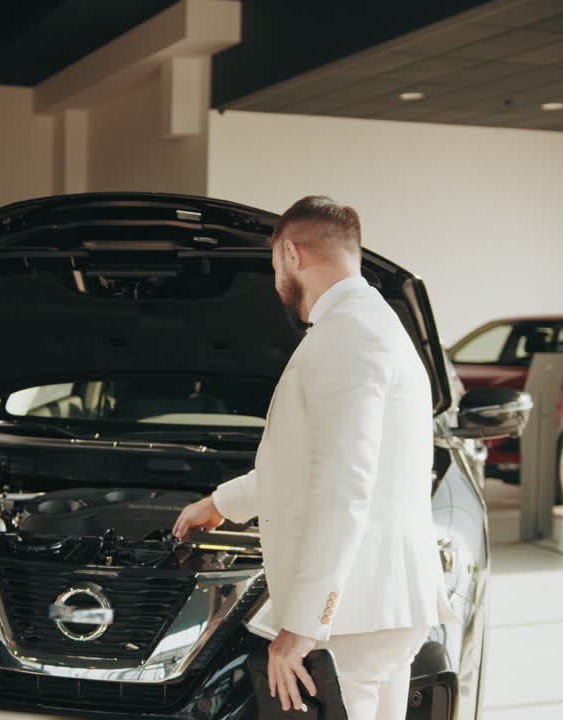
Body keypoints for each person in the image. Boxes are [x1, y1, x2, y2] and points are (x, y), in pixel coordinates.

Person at [173, 196, 455, 720]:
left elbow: (343, 489)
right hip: (377, 606)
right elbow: (308, 464)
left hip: (357, 612)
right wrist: (219, 502)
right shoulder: (372, 324)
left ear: (292, 254)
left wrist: (300, 625)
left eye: (274, 265)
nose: (276, 278)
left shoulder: (348, 336)